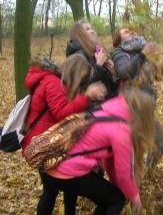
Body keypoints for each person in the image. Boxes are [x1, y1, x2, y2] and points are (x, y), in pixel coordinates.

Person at [39, 86, 156, 214]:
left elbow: (109, 161)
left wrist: (117, 186)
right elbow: (123, 172)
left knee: (111, 197)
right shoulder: (122, 130)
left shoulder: (108, 110)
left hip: (53, 164)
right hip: (67, 170)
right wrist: (135, 197)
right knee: (116, 200)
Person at [22, 55, 107, 215]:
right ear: (74, 74)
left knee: (56, 188)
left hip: (46, 143)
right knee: (50, 191)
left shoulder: (54, 81)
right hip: (43, 146)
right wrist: (86, 96)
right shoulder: (53, 82)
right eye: (81, 80)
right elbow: (61, 113)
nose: (81, 85)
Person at [111, 27, 163, 167]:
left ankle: (148, 172)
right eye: (126, 32)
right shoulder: (119, 53)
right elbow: (124, 72)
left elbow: (158, 75)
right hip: (130, 110)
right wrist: (143, 54)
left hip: (146, 109)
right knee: (134, 152)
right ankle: (133, 182)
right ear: (119, 40)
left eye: (132, 30)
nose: (132, 32)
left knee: (160, 144)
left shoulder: (143, 53)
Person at [66, 20, 118, 99]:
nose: (92, 31)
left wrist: (114, 74)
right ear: (78, 35)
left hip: (105, 103)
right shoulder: (78, 55)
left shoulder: (95, 51)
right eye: (87, 29)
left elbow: (108, 87)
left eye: (91, 28)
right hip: (91, 107)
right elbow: (82, 87)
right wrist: (99, 65)